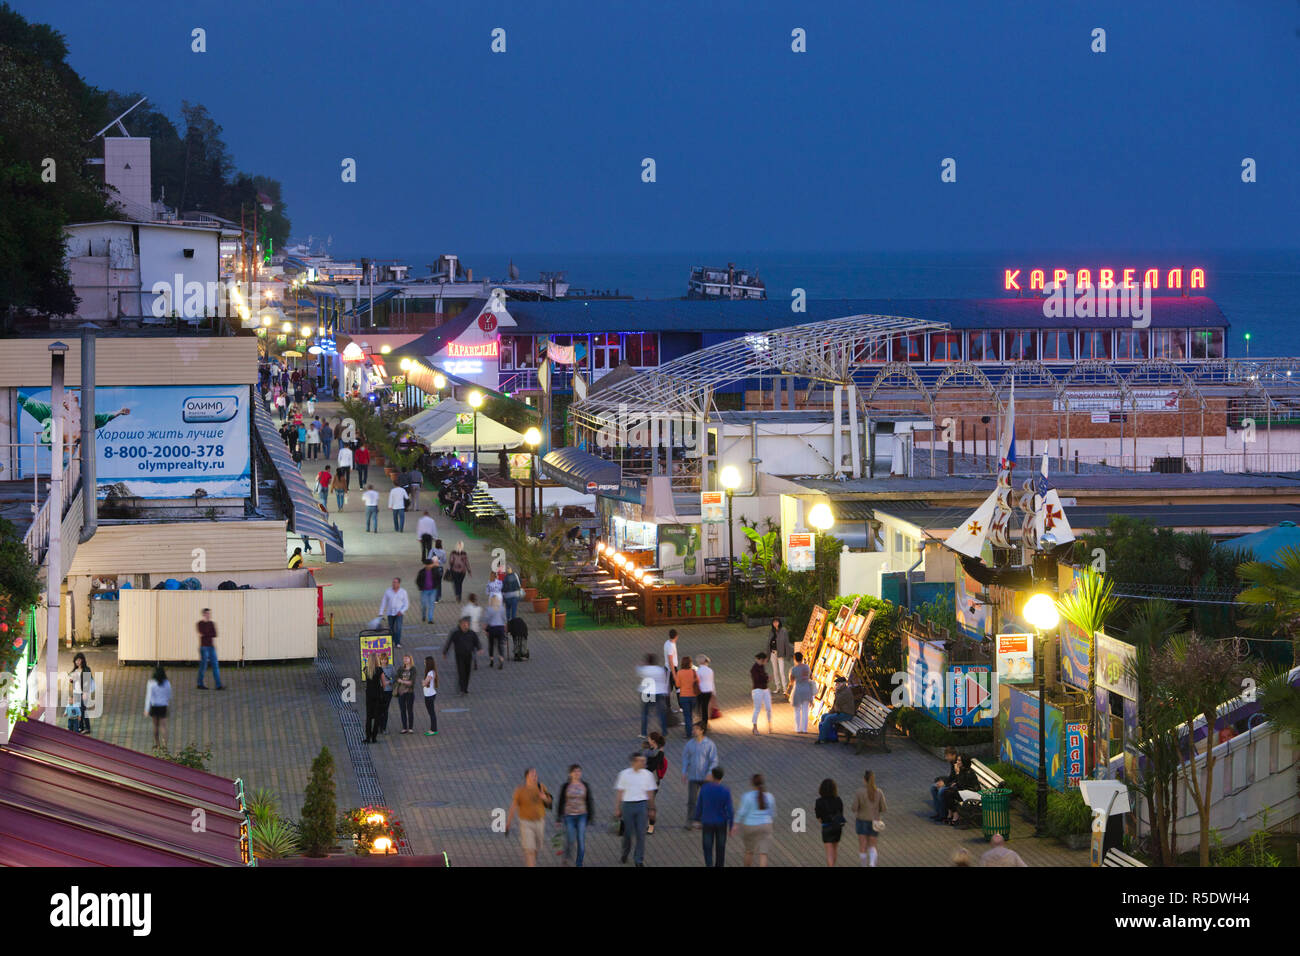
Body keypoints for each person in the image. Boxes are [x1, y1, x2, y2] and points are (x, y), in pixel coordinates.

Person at [614, 752, 658, 866]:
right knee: (628, 833)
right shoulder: (624, 774)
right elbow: (620, 792)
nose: (644, 763)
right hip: (627, 806)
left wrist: (652, 808)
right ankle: (625, 852)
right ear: (634, 762)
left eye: (644, 760)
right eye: (641, 761)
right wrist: (617, 808)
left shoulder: (648, 775)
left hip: (642, 805)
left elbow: (650, 792)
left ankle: (639, 859)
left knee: (641, 833)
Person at [505, 768, 553, 867]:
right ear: (527, 776)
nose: (535, 777)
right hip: (526, 823)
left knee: (536, 849)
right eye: (532, 775)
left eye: (536, 775)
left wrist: (545, 798)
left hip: (539, 822)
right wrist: (508, 822)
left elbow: (549, 803)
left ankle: (531, 862)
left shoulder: (541, 787)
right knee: (529, 850)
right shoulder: (520, 790)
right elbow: (513, 807)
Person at [681, 722, 719, 828]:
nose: (694, 731)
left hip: (705, 778)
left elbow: (714, 760)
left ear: (702, 730)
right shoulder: (690, 744)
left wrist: (710, 773)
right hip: (693, 776)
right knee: (691, 800)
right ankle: (690, 821)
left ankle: (704, 819)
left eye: (696, 729)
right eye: (693, 729)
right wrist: (684, 772)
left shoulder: (709, 744)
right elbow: (685, 758)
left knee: (705, 799)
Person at [556, 764, 595, 867]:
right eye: (575, 771)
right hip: (569, 816)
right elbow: (560, 801)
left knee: (581, 840)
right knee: (570, 839)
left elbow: (589, 800)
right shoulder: (565, 786)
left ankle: (579, 863)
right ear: (570, 773)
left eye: (579, 771)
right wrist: (558, 817)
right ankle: (566, 858)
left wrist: (591, 816)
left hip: (582, 815)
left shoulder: (585, 785)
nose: (577, 773)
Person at [734, 774, 776, 867]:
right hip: (766, 825)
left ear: (752, 783)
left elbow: (741, 812)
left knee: (749, 851)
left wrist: (736, 824)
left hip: (749, 826)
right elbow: (772, 813)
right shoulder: (769, 796)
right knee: (763, 854)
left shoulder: (747, 796)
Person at [696, 766, 733, 867]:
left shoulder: (704, 788)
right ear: (722, 777)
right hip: (721, 823)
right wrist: (731, 825)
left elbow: (699, 805)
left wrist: (697, 819)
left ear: (712, 776)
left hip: (707, 822)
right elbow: (730, 810)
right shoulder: (726, 790)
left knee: (707, 847)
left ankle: (709, 864)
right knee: (720, 848)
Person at [852, 769, 887, 866]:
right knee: (872, 846)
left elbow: (854, 808)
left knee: (862, 846)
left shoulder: (859, 792)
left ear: (864, 780)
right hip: (875, 821)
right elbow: (884, 808)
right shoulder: (879, 792)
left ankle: (863, 865)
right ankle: (872, 864)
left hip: (862, 821)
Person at [442, 616, 481, 694]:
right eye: (464, 624)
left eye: (467, 624)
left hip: (469, 655)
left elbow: (476, 641)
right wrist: (445, 652)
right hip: (459, 656)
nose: (466, 626)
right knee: (461, 672)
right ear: (460, 624)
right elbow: (449, 643)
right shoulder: (455, 633)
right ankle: (462, 688)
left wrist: (479, 648)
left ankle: (465, 688)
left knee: (467, 672)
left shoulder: (471, 633)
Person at [815, 778, 846, 867]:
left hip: (826, 827)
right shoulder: (838, 799)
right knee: (834, 849)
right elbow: (841, 813)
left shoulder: (819, 801)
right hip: (837, 827)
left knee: (829, 852)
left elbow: (819, 817)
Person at [637, 653, 669, 737]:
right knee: (661, 713)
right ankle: (664, 732)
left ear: (647, 661)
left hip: (647, 692)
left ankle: (643, 733)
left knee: (645, 713)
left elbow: (638, 670)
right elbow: (664, 680)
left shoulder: (644, 670)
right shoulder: (661, 670)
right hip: (659, 692)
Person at [816, 676, 855, 743]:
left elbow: (837, 703)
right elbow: (835, 706)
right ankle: (828, 736)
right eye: (836, 684)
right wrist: (829, 713)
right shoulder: (841, 690)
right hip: (841, 712)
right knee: (824, 716)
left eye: (838, 684)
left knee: (828, 718)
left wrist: (836, 691)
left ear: (843, 683)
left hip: (847, 714)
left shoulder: (845, 692)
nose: (836, 685)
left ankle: (822, 739)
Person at [942, 755, 978, 826]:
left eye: (959, 760)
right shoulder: (961, 769)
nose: (957, 762)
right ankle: (952, 814)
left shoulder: (969, 772)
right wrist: (954, 781)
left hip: (972, 792)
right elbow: (957, 781)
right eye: (957, 760)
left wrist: (957, 773)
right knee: (947, 791)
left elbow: (963, 786)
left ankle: (955, 815)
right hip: (964, 791)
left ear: (964, 762)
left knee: (949, 793)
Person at [142, 665, 173, 748]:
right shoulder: (167, 683)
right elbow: (169, 695)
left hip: (154, 706)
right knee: (164, 726)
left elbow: (148, 697)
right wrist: (167, 702)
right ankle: (165, 745)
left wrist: (146, 709)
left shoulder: (151, 683)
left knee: (156, 726)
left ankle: (157, 744)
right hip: (163, 706)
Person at [196, 608, 224, 690]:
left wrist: (206, 634)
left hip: (212, 647)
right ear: (204, 614)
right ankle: (200, 683)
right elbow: (203, 632)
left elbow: (215, 634)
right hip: (204, 647)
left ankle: (218, 685)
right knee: (203, 666)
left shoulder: (212, 623)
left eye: (210, 613)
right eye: (207, 613)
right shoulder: (200, 623)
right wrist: (208, 633)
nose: (209, 615)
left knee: (215, 666)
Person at [378, 577, 409, 647]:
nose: (394, 584)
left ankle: (397, 642)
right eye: (393, 582)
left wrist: (401, 611)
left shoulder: (403, 592)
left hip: (399, 613)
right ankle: (391, 641)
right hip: (390, 613)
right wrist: (380, 613)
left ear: (399, 584)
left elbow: (406, 604)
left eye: (395, 582)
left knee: (398, 628)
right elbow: (384, 602)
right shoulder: (388, 591)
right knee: (391, 628)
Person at [789, 651, 815, 733]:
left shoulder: (794, 669)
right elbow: (810, 676)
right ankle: (804, 729)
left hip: (798, 690)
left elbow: (791, 680)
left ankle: (797, 728)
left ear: (794, 659)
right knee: (805, 710)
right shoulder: (807, 667)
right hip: (807, 690)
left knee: (797, 710)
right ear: (802, 658)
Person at [68, 652, 94, 734]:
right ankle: (81, 727)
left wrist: (85, 693)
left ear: (82, 660)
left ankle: (86, 728)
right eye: (76, 660)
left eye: (79, 660)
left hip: (83, 693)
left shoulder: (86, 669)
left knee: (83, 710)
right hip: (76, 693)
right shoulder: (75, 670)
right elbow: (73, 681)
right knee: (79, 711)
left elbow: (87, 682)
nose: (77, 662)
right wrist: (71, 680)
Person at [675, 655, 700, 737]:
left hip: (684, 696)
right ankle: (692, 729)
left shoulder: (680, 673)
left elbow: (677, 685)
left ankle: (688, 733)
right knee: (690, 714)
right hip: (693, 696)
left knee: (687, 716)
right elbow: (698, 682)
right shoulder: (693, 672)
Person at [931, 746, 959, 821]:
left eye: (947, 756)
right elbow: (952, 776)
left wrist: (945, 784)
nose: (946, 758)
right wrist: (943, 781)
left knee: (941, 791)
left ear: (953, 755)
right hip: (952, 782)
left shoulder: (958, 762)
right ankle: (939, 812)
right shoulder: (952, 761)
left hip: (957, 784)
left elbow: (958, 778)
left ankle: (943, 814)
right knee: (933, 787)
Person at [364, 655, 387, 744]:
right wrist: (382, 690)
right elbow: (384, 683)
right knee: (377, 717)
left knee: (368, 717)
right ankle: (374, 737)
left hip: (369, 695)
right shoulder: (379, 670)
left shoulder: (366, 669)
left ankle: (367, 737)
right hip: (377, 695)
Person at [768, 617, 793, 695]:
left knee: (781, 671)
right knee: (775, 671)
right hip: (773, 653)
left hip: (780, 653)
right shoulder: (771, 631)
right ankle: (778, 687)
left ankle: (785, 688)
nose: (775, 623)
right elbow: (768, 643)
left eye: (777, 622)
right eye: (774, 622)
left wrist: (788, 654)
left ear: (779, 622)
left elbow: (786, 643)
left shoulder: (783, 631)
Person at [394, 655, 418, 734]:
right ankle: (404, 728)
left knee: (410, 710)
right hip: (401, 693)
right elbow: (396, 678)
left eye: (407, 659)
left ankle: (410, 728)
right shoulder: (401, 669)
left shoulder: (413, 669)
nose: (405, 660)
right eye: (404, 659)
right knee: (402, 710)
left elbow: (412, 682)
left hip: (409, 692)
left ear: (410, 660)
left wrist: (402, 681)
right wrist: (402, 681)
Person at [750, 652, 772, 735]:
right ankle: (755, 727)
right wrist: (767, 678)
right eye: (765, 660)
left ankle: (770, 726)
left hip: (765, 689)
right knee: (757, 709)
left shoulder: (762, 666)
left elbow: (763, 676)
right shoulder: (754, 669)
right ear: (761, 660)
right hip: (757, 690)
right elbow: (757, 679)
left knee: (769, 708)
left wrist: (766, 678)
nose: (766, 662)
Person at [484, 593, 508, 669]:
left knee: (491, 644)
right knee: (500, 644)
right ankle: (501, 658)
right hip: (500, 628)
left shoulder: (489, 608)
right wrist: (505, 627)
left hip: (492, 628)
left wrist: (485, 628)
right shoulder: (502, 608)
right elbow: (504, 619)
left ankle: (491, 659)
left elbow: (487, 619)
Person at [416, 557, 442, 622]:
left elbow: (439, 578)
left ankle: (430, 618)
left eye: (431, 564)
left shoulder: (435, 571)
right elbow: (418, 580)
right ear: (426, 565)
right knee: (424, 604)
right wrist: (420, 587)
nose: (430, 566)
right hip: (424, 590)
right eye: (429, 564)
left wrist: (436, 586)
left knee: (431, 604)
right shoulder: (422, 572)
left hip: (433, 590)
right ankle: (424, 616)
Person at [376, 652, 396, 734]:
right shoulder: (377, 668)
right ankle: (379, 726)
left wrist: (389, 682)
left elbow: (395, 677)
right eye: (382, 660)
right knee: (379, 709)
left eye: (385, 659)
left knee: (385, 709)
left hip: (388, 690)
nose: (383, 661)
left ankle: (384, 728)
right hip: (379, 690)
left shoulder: (390, 667)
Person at [696, 655, 716, 733]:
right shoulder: (710, 670)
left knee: (700, 707)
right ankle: (705, 723)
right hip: (709, 690)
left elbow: (697, 682)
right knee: (705, 707)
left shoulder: (699, 671)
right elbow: (712, 681)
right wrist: (714, 692)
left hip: (701, 691)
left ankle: (702, 723)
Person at [421, 656, 439, 735]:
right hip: (429, 694)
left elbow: (425, 683)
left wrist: (423, 682)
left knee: (431, 713)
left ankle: (433, 729)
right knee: (431, 712)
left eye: (425, 662)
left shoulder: (430, 672)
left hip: (429, 695)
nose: (424, 663)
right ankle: (433, 729)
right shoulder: (431, 672)